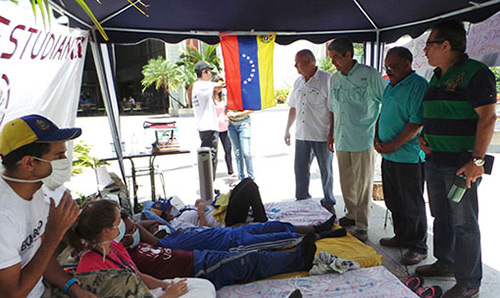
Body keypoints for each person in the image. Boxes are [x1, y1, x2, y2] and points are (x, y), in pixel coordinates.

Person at [416, 20, 497, 298]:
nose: (425, 50)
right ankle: (446, 262)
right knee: (441, 215)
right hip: (435, 159)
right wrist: (425, 136)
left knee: (464, 222)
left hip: (461, 164)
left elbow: (488, 118)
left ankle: (469, 282)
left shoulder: (476, 73)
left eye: (429, 43)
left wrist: (477, 162)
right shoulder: (436, 75)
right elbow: (437, 111)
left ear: (446, 45)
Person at [0, 114, 95, 297]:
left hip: (42, 289)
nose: (65, 161)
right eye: (59, 155)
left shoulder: (35, 191)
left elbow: (38, 255)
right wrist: (54, 235)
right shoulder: (4, 218)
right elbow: (11, 295)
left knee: (123, 279)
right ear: (29, 162)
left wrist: (72, 288)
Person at [120, 211, 318, 290]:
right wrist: (166, 287)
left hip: (202, 257)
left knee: (262, 233)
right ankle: (298, 259)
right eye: (131, 230)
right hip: (199, 268)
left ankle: (301, 250)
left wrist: (137, 226)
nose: (137, 230)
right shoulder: (127, 255)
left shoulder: (164, 233)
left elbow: (140, 224)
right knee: (250, 260)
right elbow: (139, 277)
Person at [71, 199, 216, 298]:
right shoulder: (91, 270)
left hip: (144, 291)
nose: (123, 225)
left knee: (204, 286)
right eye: (118, 222)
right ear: (106, 231)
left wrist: (165, 285)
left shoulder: (114, 246)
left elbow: (137, 275)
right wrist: (168, 295)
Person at [327, 38, 387, 242]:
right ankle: (351, 214)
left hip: (363, 137)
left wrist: (378, 132)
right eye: (331, 57)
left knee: (363, 183)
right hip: (342, 137)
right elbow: (333, 108)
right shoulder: (334, 79)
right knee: (346, 181)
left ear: (348, 55)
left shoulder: (370, 75)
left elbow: (386, 103)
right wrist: (331, 133)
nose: (333, 62)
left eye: (336, 57)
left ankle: (362, 224)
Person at [375, 47, 428, 265]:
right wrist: (376, 137)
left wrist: (393, 145)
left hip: (408, 157)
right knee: (393, 199)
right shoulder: (391, 85)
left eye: (394, 66)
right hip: (389, 155)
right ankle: (402, 236)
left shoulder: (418, 86)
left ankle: (418, 246)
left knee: (411, 203)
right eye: (387, 67)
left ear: (408, 64)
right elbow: (383, 111)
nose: (390, 70)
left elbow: (416, 122)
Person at [285, 49, 335, 214]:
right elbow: (293, 107)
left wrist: (331, 133)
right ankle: (302, 200)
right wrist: (287, 130)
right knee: (300, 170)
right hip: (302, 134)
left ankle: (328, 202)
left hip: (322, 133)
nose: (295, 67)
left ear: (309, 62)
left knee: (325, 170)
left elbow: (333, 109)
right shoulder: (298, 82)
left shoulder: (327, 80)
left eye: (297, 63)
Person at [192, 61, 224, 180]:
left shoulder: (200, 86)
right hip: (208, 127)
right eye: (209, 71)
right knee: (210, 157)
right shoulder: (201, 85)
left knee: (210, 156)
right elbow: (220, 85)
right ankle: (209, 185)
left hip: (205, 126)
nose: (211, 74)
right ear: (204, 72)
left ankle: (210, 184)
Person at [213, 76, 235, 177]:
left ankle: (230, 171)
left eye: (222, 85)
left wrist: (227, 116)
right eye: (219, 85)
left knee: (228, 148)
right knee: (214, 152)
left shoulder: (224, 97)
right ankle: (211, 173)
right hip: (214, 127)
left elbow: (226, 109)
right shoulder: (210, 98)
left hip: (224, 126)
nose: (220, 88)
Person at [227, 108, 254, 181]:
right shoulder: (226, 96)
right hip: (232, 125)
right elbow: (225, 109)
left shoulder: (245, 96)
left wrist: (236, 114)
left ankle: (251, 178)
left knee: (246, 153)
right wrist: (227, 115)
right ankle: (240, 178)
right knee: (238, 154)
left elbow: (251, 110)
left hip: (244, 124)